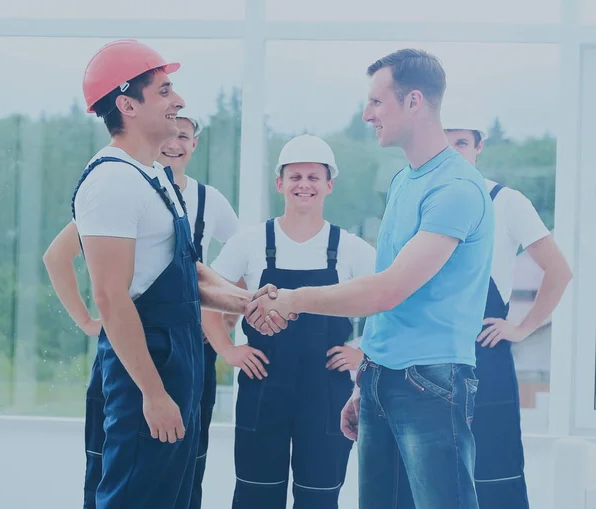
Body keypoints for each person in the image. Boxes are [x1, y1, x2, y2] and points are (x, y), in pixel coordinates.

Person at [245, 49, 495, 509]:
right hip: (385, 378)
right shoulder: (405, 180)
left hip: (431, 382)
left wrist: (291, 299)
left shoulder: (456, 190)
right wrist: (367, 382)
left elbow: (387, 290)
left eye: (378, 102)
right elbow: (389, 290)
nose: (367, 114)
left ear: (414, 101)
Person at [64, 39, 287, 509]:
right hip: (148, 364)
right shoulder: (111, 182)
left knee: (175, 497)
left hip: (179, 357)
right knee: (135, 496)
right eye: (164, 91)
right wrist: (152, 393)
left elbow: (186, 269)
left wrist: (246, 303)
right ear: (127, 104)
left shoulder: (153, 175)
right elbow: (110, 297)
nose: (179, 101)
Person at [210, 134, 375, 508]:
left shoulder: (349, 248)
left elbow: (393, 298)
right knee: (255, 497)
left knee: (318, 498)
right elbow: (206, 297)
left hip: (327, 394)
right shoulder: (250, 242)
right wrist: (227, 349)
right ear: (280, 182)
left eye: (314, 177)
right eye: (296, 176)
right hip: (262, 389)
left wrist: (362, 351)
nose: (304, 185)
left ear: (329, 185)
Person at [444, 121, 572, 509]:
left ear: (479, 146)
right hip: (428, 356)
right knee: (432, 479)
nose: (453, 152)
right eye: (444, 143)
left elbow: (559, 270)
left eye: (462, 143)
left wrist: (522, 328)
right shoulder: (421, 199)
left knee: (495, 473)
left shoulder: (507, 202)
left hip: (486, 357)